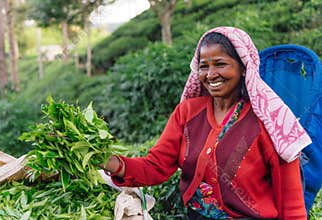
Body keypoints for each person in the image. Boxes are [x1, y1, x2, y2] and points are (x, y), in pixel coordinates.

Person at [101, 27, 311, 219]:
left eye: (220, 64)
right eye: (204, 66)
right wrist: (107, 161)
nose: (210, 74)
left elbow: (292, 205)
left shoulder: (270, 122)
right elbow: (155, 166)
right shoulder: (188, 112)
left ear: (243, 68)